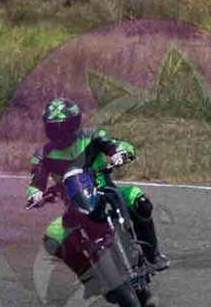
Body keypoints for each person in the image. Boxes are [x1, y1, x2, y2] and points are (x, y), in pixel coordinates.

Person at [24, 97, 168, 272]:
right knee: (52, 238)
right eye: (54, 128)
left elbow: (117, 145)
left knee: (140, 201)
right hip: (75, 208)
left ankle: (152, 255)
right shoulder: (42, 155)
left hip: (106, 192)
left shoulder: (93, 137)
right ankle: (87, 275)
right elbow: (35, 183)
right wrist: (35, 195)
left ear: (75, 123)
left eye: (64, 127)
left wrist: (120, 153)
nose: (60, 133)